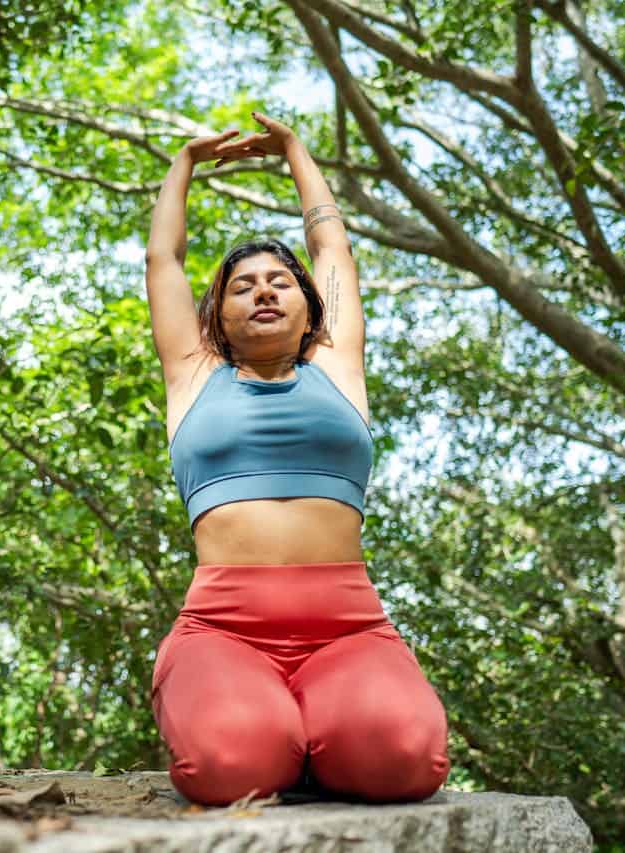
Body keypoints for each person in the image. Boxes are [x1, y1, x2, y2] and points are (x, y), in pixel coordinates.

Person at [144, 110, 450, 805]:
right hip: (224, 626)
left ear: (310, 308)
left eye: (279, 281)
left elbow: (331, 245)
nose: (262, 290)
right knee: (230, 764)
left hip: (347, 627)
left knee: (405, 759)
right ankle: (247, 711)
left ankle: (317, 728)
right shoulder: (192, 375)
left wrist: (293, 148)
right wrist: (184, 162)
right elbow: (163, 261)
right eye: (242, 285)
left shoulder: (336, 364)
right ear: (213, 316)